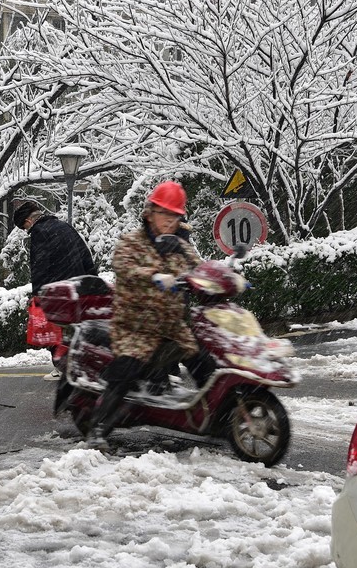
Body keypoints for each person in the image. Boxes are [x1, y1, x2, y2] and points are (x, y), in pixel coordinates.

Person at [87, 181, 216, 446]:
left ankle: (219, 413)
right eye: (165, 214)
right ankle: (99, 426)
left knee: (204, 360)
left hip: (173, 324)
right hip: (137, 325)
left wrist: (222, 280)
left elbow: (199, 270)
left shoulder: (180, 245)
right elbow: (124, 269)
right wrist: (154, 275)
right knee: (129, 365)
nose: (170, 221)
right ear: (149, 212)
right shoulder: (131, 243)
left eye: (175, 216)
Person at [13, 199, 96, 377]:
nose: (27, 232)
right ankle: (82, 364)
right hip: (79, 285)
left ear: (28, 222)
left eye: (25, 229)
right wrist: (92, 279)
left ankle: (62, 367)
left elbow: (40, 266)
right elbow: (84, 253)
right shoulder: (63, 226)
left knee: (56, 330)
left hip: (59, 290)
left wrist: (37, 295)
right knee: (77, 327)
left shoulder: (39, 232)